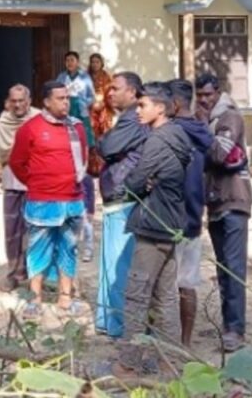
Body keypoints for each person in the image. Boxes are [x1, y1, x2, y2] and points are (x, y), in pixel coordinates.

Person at [115, 82, 192, 376]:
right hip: (171, 224)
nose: (138, 110)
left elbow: (134, 182)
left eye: (142, 105)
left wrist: (139, 185)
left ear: (160, 108)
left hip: (153, 225)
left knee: (137, 295)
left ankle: (128, 363)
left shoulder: (157, 141)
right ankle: (170, 363)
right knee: (166, 296)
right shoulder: (178, 136)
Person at [9, 81, 88, 317]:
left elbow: (83, 158)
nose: (66, 102)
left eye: (67, 98)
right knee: (38, 249)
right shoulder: (30, 129)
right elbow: (17, 163)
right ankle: (34, 300)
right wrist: (37, 183)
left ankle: (65, 298)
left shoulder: (77, 127)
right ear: (46, 102)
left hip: (72, 200)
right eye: (60, 98)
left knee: (69, 248)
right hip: (42, 202)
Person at [196, 73, 252, 352]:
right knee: (223, 268)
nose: (204, 100)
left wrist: (200, 130)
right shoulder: (210, 119)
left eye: (208, 94)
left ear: (218, 92)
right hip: (216, 201)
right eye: (200, 95)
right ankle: (228, 323)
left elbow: (218, 154)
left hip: (234, 200)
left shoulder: (229, 117)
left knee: (234, 268)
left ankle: (236, 329)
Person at [94, 71, 147, 337]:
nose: (110, 92)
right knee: (109, 264)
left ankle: (119, 325)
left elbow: (106, 147)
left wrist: (103, 142)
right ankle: (107, 321)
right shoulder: (125, 118)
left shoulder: (134, 119)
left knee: (119, 267)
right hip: (116, 199)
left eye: (116, 88)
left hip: (124, 199)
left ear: (133, 92)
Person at [167, 79, 214, 346]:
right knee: (187, 282)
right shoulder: (203, 131)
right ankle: (185, 342)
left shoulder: (170, 133)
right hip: (194, 216)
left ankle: (169, 340)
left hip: (169, 217)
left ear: (174, 104)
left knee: (164, 283)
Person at [0, 85, 41, 290]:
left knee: (36, 229)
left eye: (21, 100)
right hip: (12, 180)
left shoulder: (39, 119)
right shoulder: (2, 122)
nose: (18, 105)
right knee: (12, 230)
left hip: (34, 181)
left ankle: (35, 275)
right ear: (9, 102)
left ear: (28, 101)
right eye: (14, 101)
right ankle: (13, 272)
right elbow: (4, 152)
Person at [57, 51, 97, 262]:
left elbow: (92, 97)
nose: (69, 63)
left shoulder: (84, 78)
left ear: (78, 62)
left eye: (72, 60)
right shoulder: (61, 77)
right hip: (65, 117)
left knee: (82, 146)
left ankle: (82, 169)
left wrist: (80, 102)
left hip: (80, 114)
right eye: (67, 60)